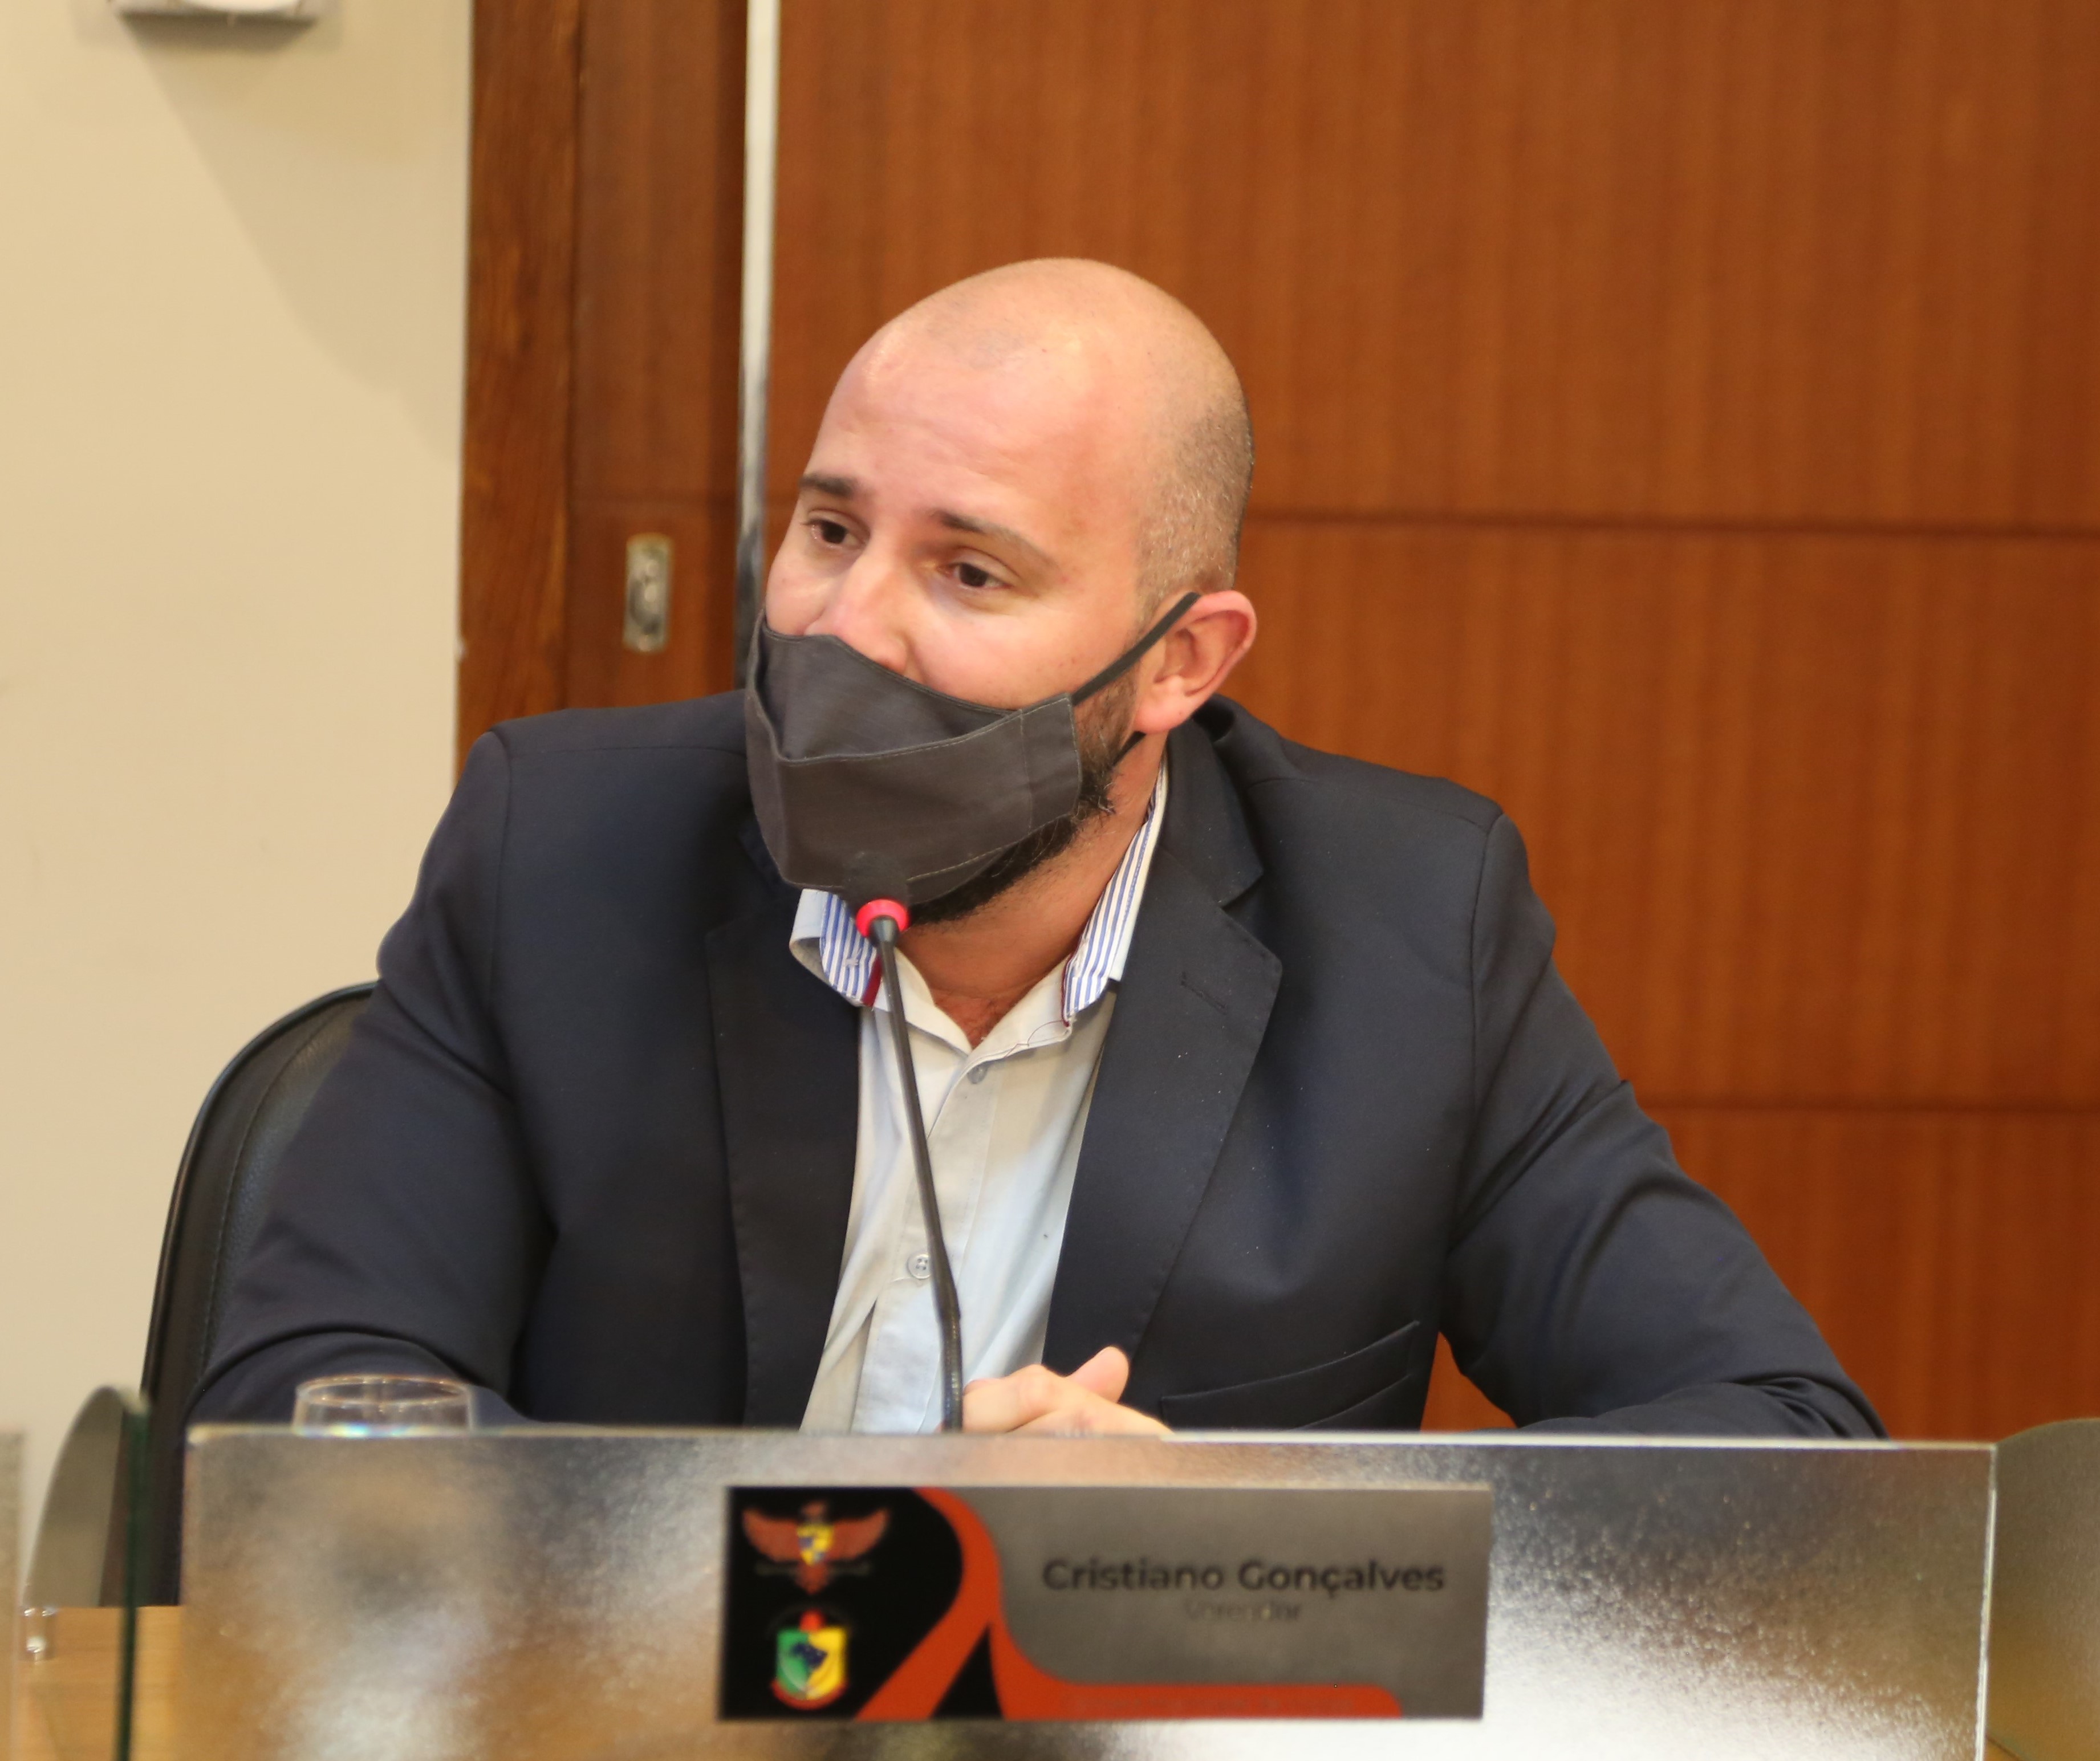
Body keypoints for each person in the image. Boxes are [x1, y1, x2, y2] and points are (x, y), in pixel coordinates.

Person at [193, 259, 1879, 1443]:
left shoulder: (1410, 932)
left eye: (970, 572)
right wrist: (808, 1581)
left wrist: (1219, 1554)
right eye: (830, 527)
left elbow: (1781, 1440)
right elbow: (299, 1414)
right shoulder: (564, 846)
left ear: (1179, 664)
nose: (847, 625)